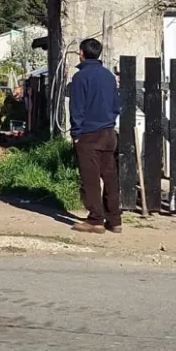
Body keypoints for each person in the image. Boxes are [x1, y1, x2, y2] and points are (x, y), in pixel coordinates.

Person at [69, 38, 122, 234]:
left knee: (90, 178)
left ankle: (95, 220)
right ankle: (115, 220)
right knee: (110, 177)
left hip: (89, 134)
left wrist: (76, 133)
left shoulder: (80, 77)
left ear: (82, 53)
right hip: (109, 133)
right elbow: (116, 106)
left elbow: (77, 108)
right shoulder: (109, 76)